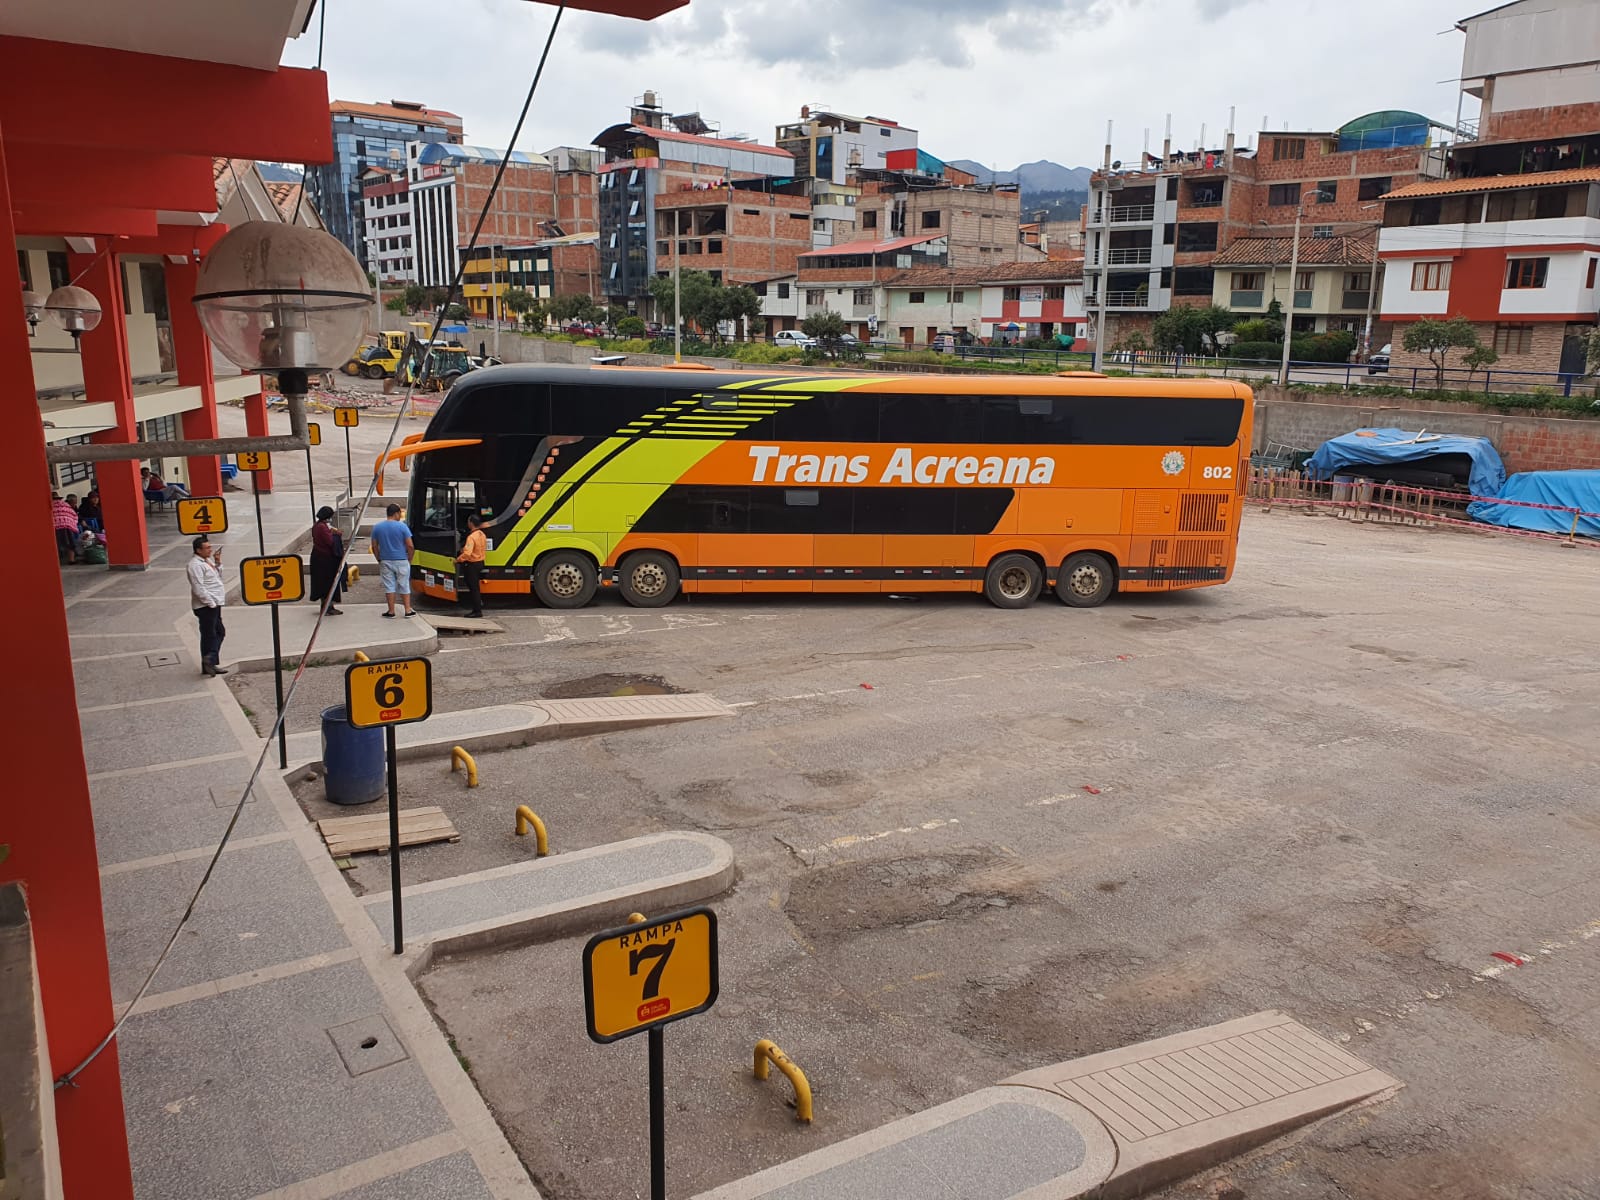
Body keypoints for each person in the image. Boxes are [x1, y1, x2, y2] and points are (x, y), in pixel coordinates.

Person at [187, 535, 228, 675]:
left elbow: (217, 578)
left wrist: (218, 562)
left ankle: (210, 661)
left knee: (217, 632)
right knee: (210, 634)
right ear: (198, 550)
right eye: (207, 548)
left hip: (215, 602)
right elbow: (198, 587)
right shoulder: (195, 565)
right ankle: (209, 659)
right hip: (206, 605)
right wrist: (211, 603)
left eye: (210, 547)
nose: (210, 550)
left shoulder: (206, 561)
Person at [370, 503, 415, 618]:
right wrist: (409, 558)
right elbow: (410, 546)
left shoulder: (377, 527)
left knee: (389, 586)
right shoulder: (403, 527)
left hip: (385, 560)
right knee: (404, 585)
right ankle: (407, 610)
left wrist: (378, 558)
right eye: (400, 513)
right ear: (396, 513)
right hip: (401, 560)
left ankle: (391, 611)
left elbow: (374, 546)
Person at [309, 506, 345, 616]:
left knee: (323, 583)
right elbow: (330, 542)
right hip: (324, 560)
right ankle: (327, 607)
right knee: (327, 583)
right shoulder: (322, 527)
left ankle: (327, 606)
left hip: (318, 557)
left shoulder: (317, 526)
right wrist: (336, 534)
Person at [455, 514, 488, 619]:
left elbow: (467, 554)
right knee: (476, 587)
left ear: (471, 523)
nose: (467, 523)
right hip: (480, 562)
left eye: (469, 521)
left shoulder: (471, 537)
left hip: (472, 565)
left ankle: (477, 611)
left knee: (473, 588)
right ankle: (478, 604)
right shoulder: (482, 534)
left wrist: (458, 560)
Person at [51, 492, 81, 564]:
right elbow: (74, 515)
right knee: (70, 543)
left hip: (54, 528)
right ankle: (71, 560)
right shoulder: (65, 505)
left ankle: (56, 561)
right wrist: (73, 523)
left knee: (56, 544)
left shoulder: (49, 505)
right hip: (67, 525)